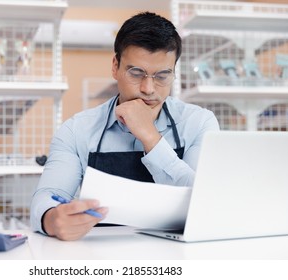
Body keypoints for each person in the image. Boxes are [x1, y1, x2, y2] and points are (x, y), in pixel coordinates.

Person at [30, 11, 220, 241]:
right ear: (115, 66)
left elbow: (206, 203)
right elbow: (47, 197)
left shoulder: (199, 123)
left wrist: (150, 136)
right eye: (137, 73)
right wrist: (52, 219)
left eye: (162, 76)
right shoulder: (75, 131)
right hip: (102, 254)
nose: (148, 88)